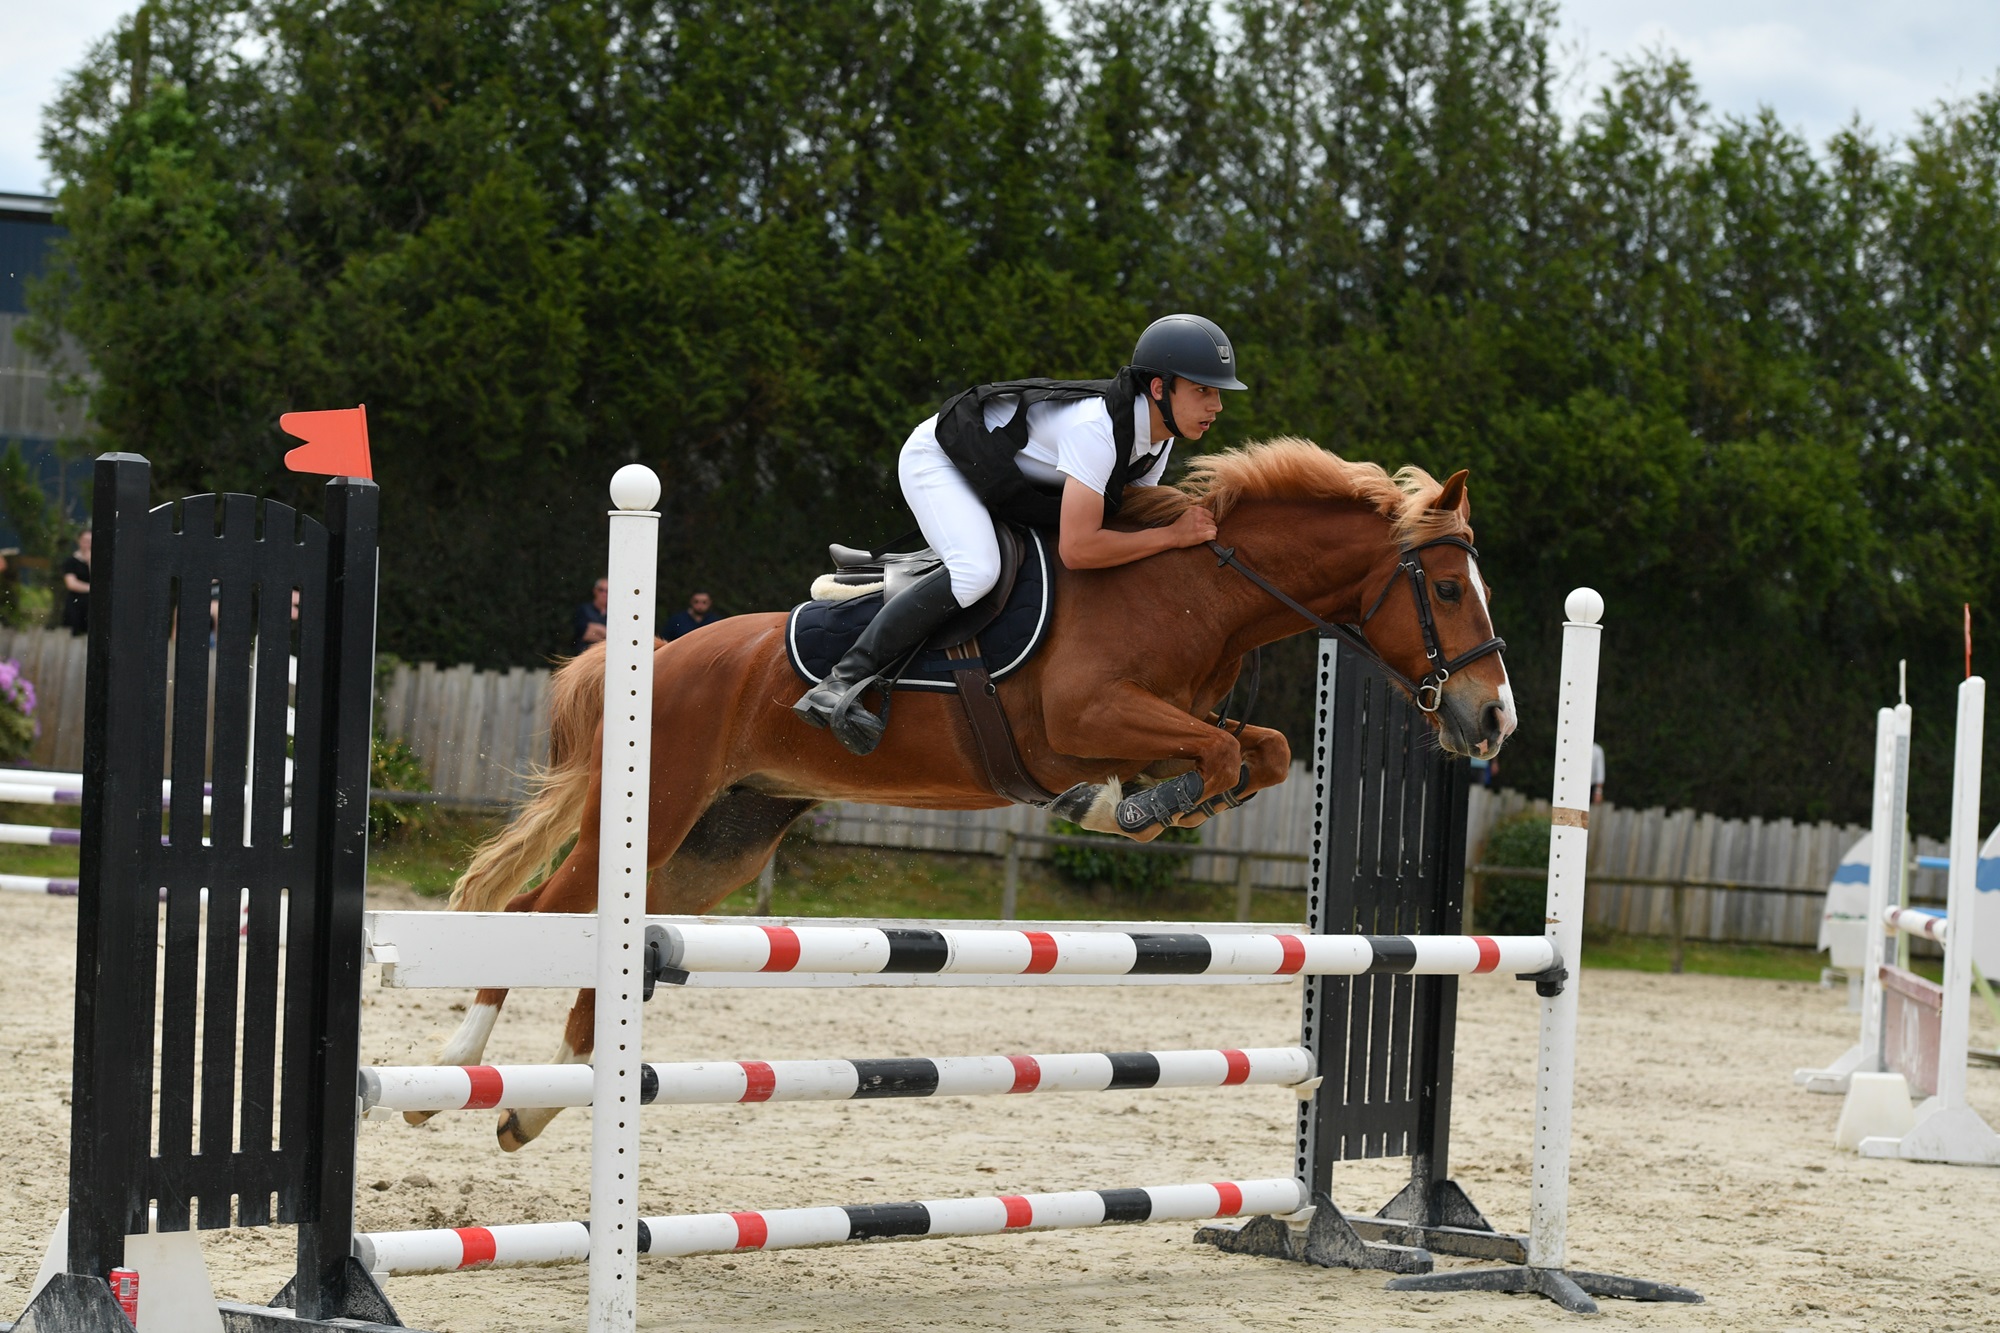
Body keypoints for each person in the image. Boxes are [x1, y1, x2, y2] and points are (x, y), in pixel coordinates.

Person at [792, 313, 1245, 755]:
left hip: (1003, 478)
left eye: (1217, 392)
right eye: (1202, 390)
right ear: (1159, 388)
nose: (1217, 406)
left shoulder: (1155, 440)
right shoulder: (1098, 432)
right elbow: (1080, 547)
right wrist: (1172, 537)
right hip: (941, 458)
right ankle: (842, 680)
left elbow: (1123, 526)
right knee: (976, 571)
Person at [59, 530, 90, 637]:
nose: (88, 544)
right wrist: (92, 589)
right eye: (85, 541)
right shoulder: (70, 562)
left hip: (92, 607)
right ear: (79, 541)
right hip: (76, 605)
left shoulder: (98, 562)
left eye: (91, 541)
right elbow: (71, 584)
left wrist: (90, 562)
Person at [572, 577, 607, 656]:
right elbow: (586, 634)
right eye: (601, 590)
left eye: (607, 591)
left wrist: (597, 629)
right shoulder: (584, 609)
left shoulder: (612, 614)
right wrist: (606, 635)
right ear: (595, 591)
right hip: (585, 655)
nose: (604, 594)